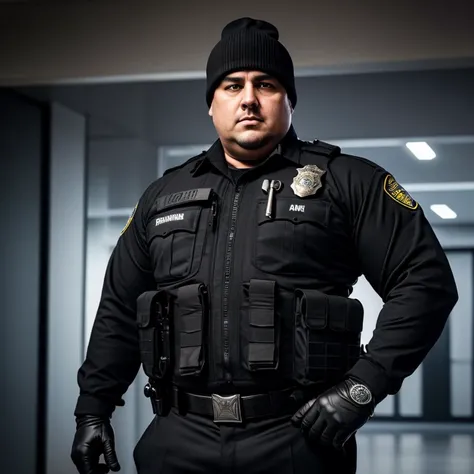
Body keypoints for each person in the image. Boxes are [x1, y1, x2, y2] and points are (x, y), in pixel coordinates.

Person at [70, 17, 458, 474]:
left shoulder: (348, 181)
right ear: (211, 104)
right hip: (178, 439)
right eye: (232, 85)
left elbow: (425, 282)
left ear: (289, 100)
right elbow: (119, 307)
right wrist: (93, 409)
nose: (249, 99)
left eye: (266, 84)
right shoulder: (162, 196)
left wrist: (362, 387)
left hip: (297, 438)